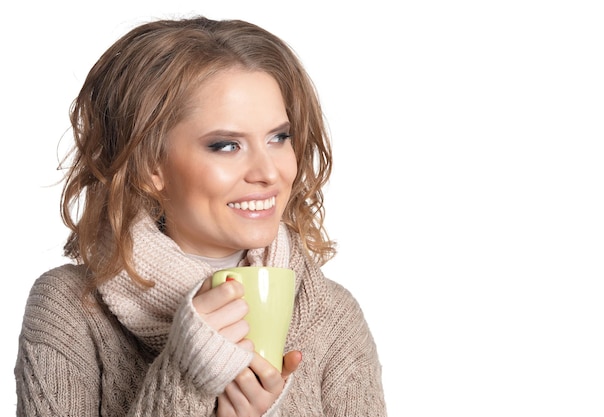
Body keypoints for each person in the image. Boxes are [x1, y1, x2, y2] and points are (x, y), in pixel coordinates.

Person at [14, 15, 386, 417]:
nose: (269, 172)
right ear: (149, 166)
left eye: (279, 137)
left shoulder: (333, 318)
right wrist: (186, 378)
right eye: (227, 145)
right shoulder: (70, 310)